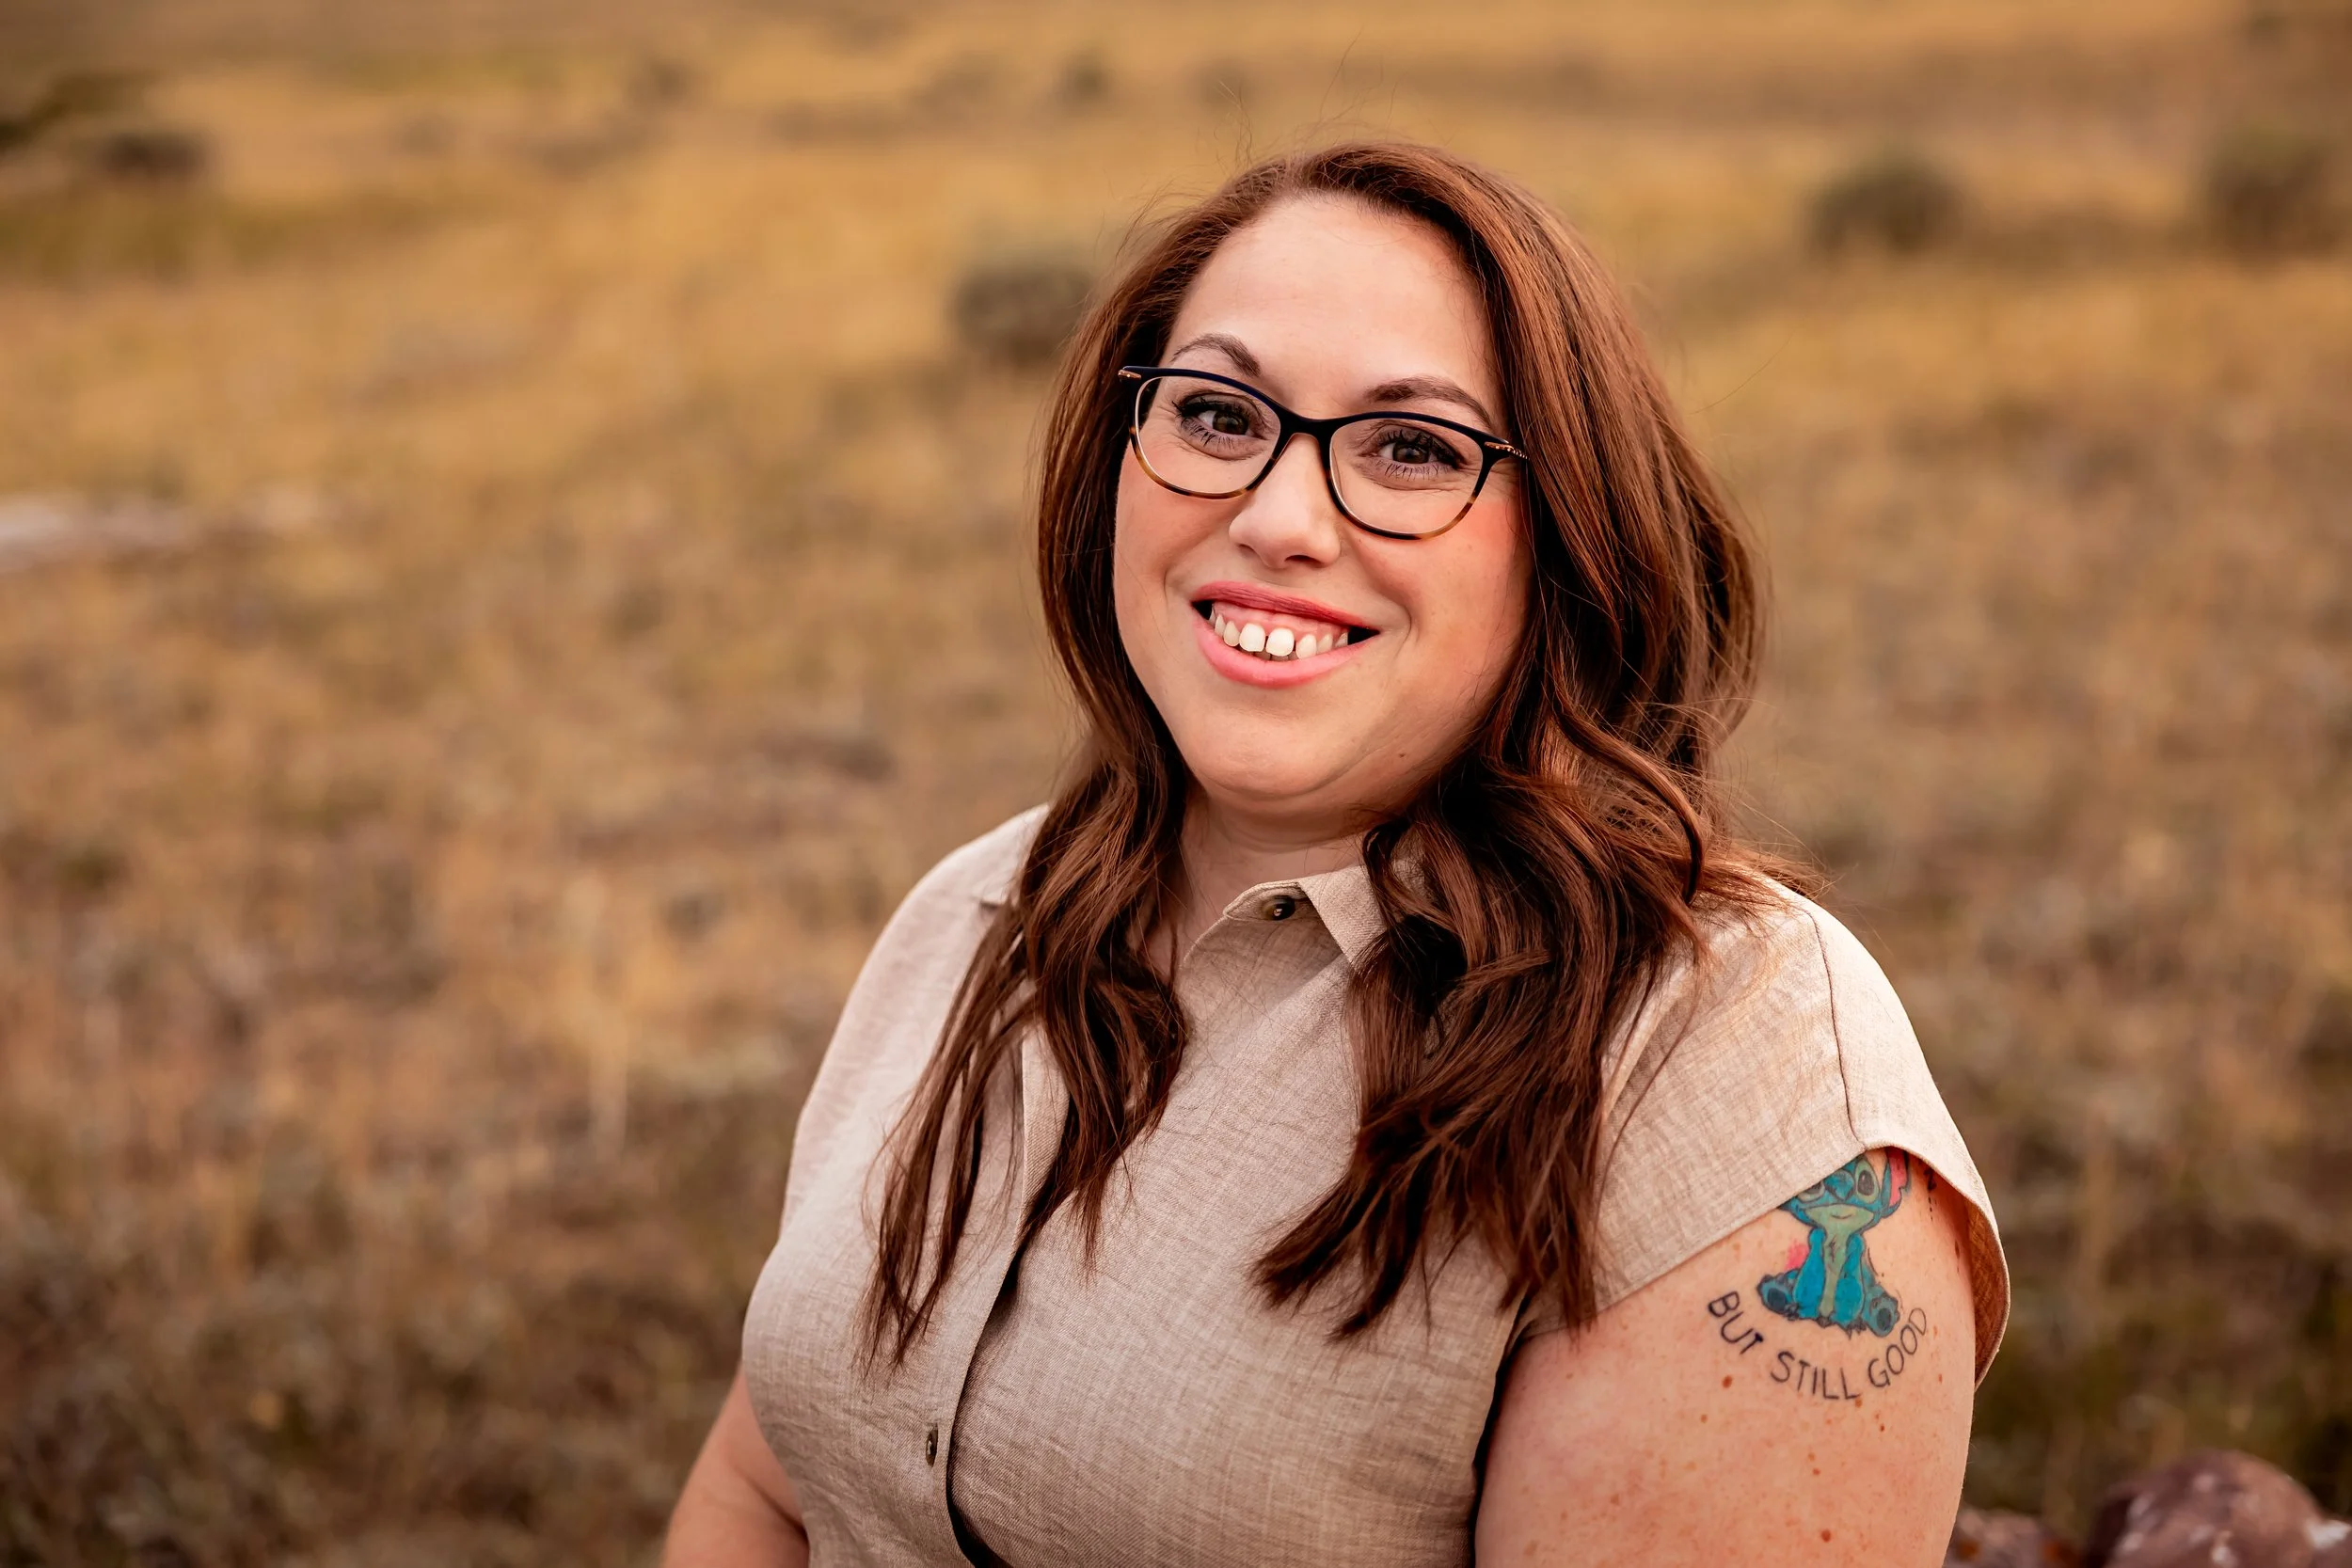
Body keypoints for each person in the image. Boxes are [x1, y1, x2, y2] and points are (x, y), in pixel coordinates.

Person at [661, 141, 2009, 1567]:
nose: (1279, 517)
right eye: (1217, 413)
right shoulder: (975, 917)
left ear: (1563, 537)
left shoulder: (1724, 1062)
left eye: (1412, 448)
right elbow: (764, 1487)